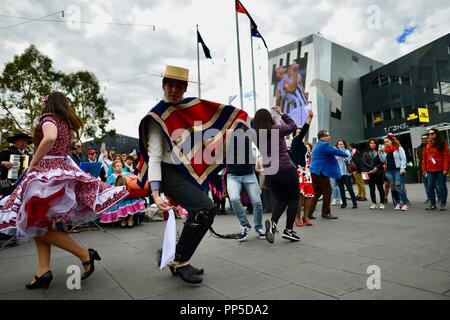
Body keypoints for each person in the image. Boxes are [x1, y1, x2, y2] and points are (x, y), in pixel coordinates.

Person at [0, 92, 128, 289]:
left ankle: (84, 254)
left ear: (48, 104)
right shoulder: (64, 124)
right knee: (38, 222)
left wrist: (34, 162)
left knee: (33, 224)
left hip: (47, 172)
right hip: (60, 171)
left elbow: (49, 138)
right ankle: (43, 271)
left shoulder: (48, 118)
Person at [138, 65, 251, 284]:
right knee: (205, 208)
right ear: (163, 85)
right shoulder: (156, 116)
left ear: (185, 88)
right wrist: (154, 193)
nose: (174, 90)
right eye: (170, 84)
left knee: (202, 210)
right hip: (165, 172)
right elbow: (153, 156)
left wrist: (220, 138)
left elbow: (216, 125)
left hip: (184, 170)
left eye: (179, 86)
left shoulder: (190, 108)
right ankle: (179, 260)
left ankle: (174, 254)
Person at [254, 106, 301, 243]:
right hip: (285, 168)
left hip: (270, 172)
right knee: (293, 198)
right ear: (269, 118)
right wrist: (281, 113)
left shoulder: (257, 137)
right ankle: (288, 230)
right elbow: (293, 126)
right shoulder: (276, 130)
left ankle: (273, 225)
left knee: (281, 200)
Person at [225, 131, 265, 241]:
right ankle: (245, 225)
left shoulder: (250, 141)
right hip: (233, 176)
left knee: (257, 202)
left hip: (249, 175)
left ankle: (259, 227)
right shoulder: (227, 140)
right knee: (234, 199)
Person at [308, 129, 349, 220]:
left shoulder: (317, 145)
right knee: (328, 191)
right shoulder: (325, 145)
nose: (329, 136)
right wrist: (346, 153)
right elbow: (339, 152)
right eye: (327, 135)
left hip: (315, 171)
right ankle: (326, 213)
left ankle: (309, 212)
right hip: (321, 172)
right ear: (322, 136)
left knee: (317, 192)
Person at [99, 159, 145, 227]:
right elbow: (107, 187)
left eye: (120, 165)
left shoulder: (126, 173)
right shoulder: (112, 176)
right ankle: (123, 219)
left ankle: (130, 219)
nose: (119, 167)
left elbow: (134, 180)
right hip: (118, 196)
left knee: (133, 198)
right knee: (123, 201)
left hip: (128, 194)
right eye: (117, 166)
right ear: (113, 168)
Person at [290, 110, 314, 227]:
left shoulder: (305, 147)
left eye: (301, 133)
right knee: (299, 196)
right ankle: (297, 217)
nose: (300, 134)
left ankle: (306, 217)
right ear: (294, 135)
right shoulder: (295, 142)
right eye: (298, 133)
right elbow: (304, 131)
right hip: (298, 172)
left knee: (309, 195)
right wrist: (309, 119)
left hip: (307, 173)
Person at [378, 134, 410, 211]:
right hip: (389, 171)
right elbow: (382, 160)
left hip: (398, 170)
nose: (386, 143)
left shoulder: (398, 148)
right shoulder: (385, 151)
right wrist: (380, 153)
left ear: (391, 141)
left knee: (399, 186)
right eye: (384, 142)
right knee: (392, 188)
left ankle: (405, 203)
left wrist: (402, 168)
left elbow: (403, 159)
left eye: (387, 141)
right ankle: (398, 203)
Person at [422, 128, 449, 211]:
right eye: (429, 134)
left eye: (432, 133)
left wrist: (445, 169)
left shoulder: (442, 143)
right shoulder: (427, 144)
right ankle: (433, 204)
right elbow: (424, 158)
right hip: (430, 170)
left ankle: (443, 203)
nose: (430, 135)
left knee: (442, 187)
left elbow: (446, 157)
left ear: (436, 134)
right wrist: (424, 169)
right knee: (430, 187)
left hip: (440, 169)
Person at [0, 132, 33, 197]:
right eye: (21, 140)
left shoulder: (29, 155)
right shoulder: (7, 152)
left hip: (23, 184)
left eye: (25, 141)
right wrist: (2, 163)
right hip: (7, 183)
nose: (23, 143)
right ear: (15, 142)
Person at [362, 138, 385, 210]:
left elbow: (382, 161)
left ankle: (382, 203)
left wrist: (376, 168)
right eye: (371, 143)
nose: (373, 144)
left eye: (374, 143)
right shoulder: (365, 152)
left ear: (376, 144)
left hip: (379, 172)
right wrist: (372, 168)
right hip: (370, 172)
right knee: (372, 189)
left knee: (380, 188)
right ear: (369, 144)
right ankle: (374, 203)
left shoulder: (380, 151)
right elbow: (364, 162)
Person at [335, 140, 358, 209]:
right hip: (338, 173)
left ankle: (354, 203)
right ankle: (344, 203)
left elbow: (348, 157)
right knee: (341, 188)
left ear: (344, 145)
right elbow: (336, 158)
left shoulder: (347, 151)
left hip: (346, 172)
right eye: (339, 144)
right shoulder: (335, 152)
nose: (340, 146)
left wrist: (342, 153)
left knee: (349, 188)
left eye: (342, 144)